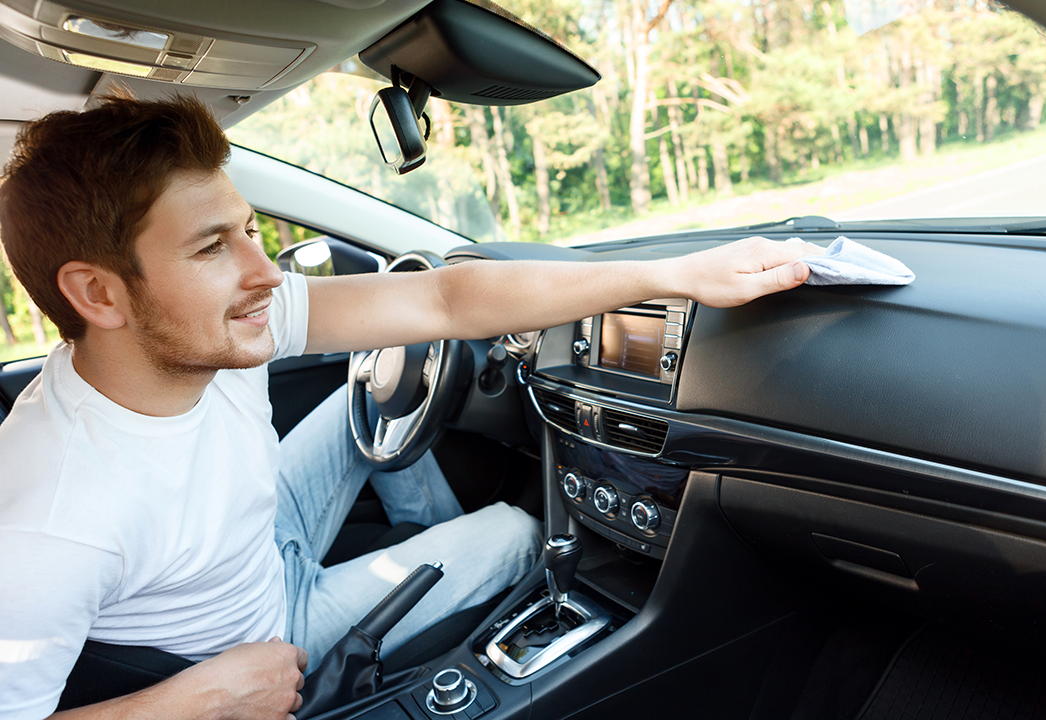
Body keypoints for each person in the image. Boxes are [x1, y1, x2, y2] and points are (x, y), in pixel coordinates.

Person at [0, 93, 820, 720]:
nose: (268, 274)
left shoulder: (218, 321)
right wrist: (193, 702)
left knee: (371, 381)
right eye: (214, 247)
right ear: (97, 293)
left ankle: (421, 543)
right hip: (262, 627)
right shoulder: (52, 520)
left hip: (254, 536)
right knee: (514, 532)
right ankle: (442, 560)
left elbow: (444, 302)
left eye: (251, 231)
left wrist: (671, 274)